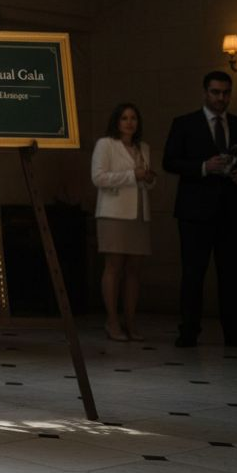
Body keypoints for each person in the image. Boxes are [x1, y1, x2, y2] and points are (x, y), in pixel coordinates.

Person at [162, 71, 237, 349]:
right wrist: (204, 167)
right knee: (193, 273)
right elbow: (169, 161)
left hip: (232, 212)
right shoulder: (185, 124)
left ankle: (235, 333)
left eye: (226, 93)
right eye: (216, 92)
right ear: (205, 92)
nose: (221, 98)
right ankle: (189, 331)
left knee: (231, 274)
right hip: (195, 212)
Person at [91, 103, 155, 342]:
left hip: (138, 213)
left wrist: (148, 179)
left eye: (133, 118)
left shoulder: (143, 147)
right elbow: (98, 178)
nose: (129, 123)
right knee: (113, 267)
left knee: (134, 271)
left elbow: (146, 182)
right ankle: (112, 320)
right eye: (124, 118)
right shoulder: (106, 144)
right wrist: (132, 175)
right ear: (116, 122)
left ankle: (130, 321)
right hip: (114, 213)